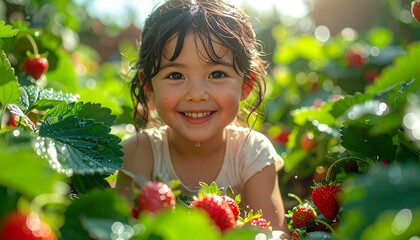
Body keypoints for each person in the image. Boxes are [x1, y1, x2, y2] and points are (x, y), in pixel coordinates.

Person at [116, 0, 289, 236]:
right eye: (176, 75)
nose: (196, 95)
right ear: (148, 87)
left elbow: (274, 234)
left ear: (246, 84)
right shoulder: (139, 153)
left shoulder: (252, 153)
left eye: (217, 74)